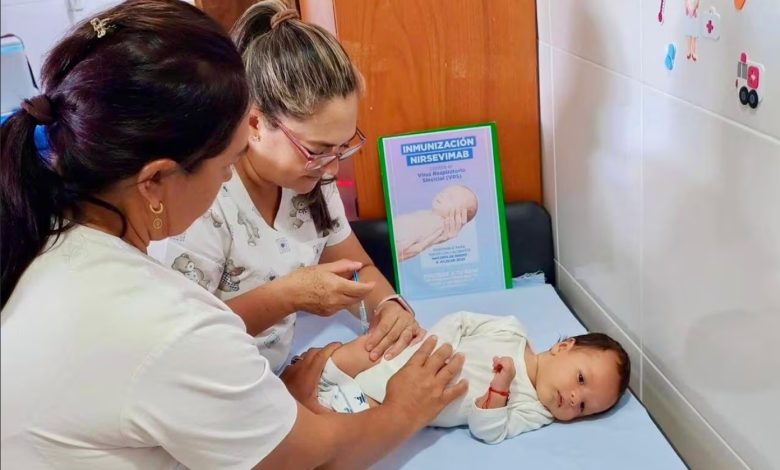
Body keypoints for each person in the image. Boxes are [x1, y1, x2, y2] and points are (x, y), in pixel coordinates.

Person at [0, 2, 467, 468]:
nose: (229, 177)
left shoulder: (45, 233)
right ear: (155, 180)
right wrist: (406, 409)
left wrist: (383, 310)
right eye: (227, 164)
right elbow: (309, 457)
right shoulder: (170, 324)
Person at [155, 0, 423, 372]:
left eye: (343, 147)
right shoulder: (204, 201)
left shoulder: (310, 179)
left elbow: (357, 268)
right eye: (317, 150)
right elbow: (186, 341)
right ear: (254, 123)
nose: (332, 167)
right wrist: (288, 295)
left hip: (275, 377)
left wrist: (389, 307)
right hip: (219, 384)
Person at [316, 312, 631, 444]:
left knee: (340, 430)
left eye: (584, 407)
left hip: (387, 404)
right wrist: (436, 348)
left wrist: (500, 390)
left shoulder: (534, 411)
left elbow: (488, 431)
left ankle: (317, 405)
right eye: (580, 379)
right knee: (353, 353)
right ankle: (316, 371)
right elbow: (462, 321)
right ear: (563, 347)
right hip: (406, 357)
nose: (575, 398)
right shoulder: (511, 330)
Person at [394, 185, 479, 261]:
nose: (442, 195)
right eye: (443, 192)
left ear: (458, 216)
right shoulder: (428, 214)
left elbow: (404, 240)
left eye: (450, 197)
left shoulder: (438, 225)